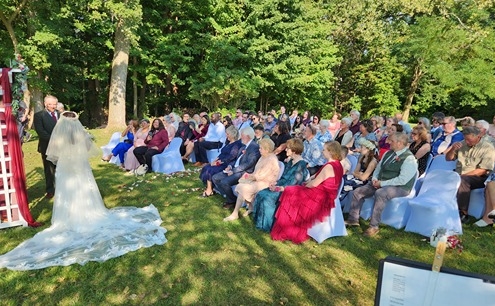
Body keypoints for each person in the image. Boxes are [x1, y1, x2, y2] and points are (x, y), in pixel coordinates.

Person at [0, 111, 167, 270]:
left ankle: (69, 216)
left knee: (67, 190)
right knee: (84, 188)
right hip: (80, 166)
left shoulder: (59, 135)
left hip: (66, 166)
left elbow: (54, 153)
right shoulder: (80, 134)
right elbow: (87, 148)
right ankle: (87, 210)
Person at [270, 141, 344, 244]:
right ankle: (282, 189)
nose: (322, 152)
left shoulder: (329, 166)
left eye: (324, 150)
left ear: (330, 152)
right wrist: (308, 181)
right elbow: (316, 176)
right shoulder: (337, 164)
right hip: (326, 192)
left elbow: (313, 184)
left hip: (321, 195)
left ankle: (289, 229)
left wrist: (303, 186)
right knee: (292, 190)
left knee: (291, 192)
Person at [345, 132, 417, 237]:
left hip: (400, 187)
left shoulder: (409, 159)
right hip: (381, 183)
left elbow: (403, 180)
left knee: (381, 193)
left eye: (391, 141)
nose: (388, 142)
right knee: (358, 191)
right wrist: (374, 179)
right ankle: (353, 219)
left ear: (399, 143)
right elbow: (378, 168)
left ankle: (374, 226)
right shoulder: (388, 153)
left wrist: (382, 183)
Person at [252, 138, 309, 232]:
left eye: (288, 148)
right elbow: (284, 177)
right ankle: (260, 222)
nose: (285, 150)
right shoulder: (291, 161)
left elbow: (293, 184)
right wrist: (275, 183)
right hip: (281, 185)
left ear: (294, 151)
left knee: (267, 197)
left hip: (289, 191)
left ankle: (267, 225)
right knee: (261, 193)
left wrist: (277, 188)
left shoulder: (300, 165)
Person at [445, 126, 495, 223]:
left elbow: (483, 170)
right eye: (465, 139)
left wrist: (462, 177)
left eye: (469, 140)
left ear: (477, 136)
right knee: (442, 178)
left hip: (479, 177)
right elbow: (448, 159)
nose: (467, 142)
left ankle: (463, 212)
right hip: (459, 174)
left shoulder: (488, 148)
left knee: (463, 181)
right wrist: (452, 149)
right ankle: (441, 207)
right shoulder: (462, 144)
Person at [224, 138, 280, 221]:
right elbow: (256, 172)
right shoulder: (264, 156)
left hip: (266, 183)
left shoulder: (271, 160)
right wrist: (249, 176)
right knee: (241, 183)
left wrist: (250, 177)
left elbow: (261, 176)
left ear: (267, 150)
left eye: (261, 148)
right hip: (258, 179)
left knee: (243, 188)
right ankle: (250, 207)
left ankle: (235, 213)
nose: (259, 149)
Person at [212, 127, 261, 209]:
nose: (240, 137)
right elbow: (237, 159)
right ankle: (230, 197)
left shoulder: (254, 147)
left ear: (248, 136)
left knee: (224, 182)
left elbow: (248, 164)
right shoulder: (243, 146)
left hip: (244, 172)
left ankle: (231, 201)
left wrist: (233, 171)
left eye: (242, 135)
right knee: (215, 177)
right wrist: (230, 166)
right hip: (235, 169)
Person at [199, 126, 244, 197]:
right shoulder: (228, 142)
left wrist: (218, 162)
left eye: (228, 134)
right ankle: (210, 187)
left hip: (226, 163)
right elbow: (221, 153)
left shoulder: (236, 144)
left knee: (210, 170)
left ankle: (209, 190)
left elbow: (231, 156)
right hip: (220, 160)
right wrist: (214, 161)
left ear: (232, 134)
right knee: (206, 167)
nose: (226, 135)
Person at [33, 95, 60, 198]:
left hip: (61, 147)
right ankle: (50, 190)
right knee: (49, 169)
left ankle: (61, 187)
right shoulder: (39, 116)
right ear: (45, 104)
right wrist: (55, 141)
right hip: (47, 146)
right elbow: (41, 132)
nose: (53, 106)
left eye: (55, 104)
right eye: (50, 104)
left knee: (61, 167)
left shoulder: (61, 115)